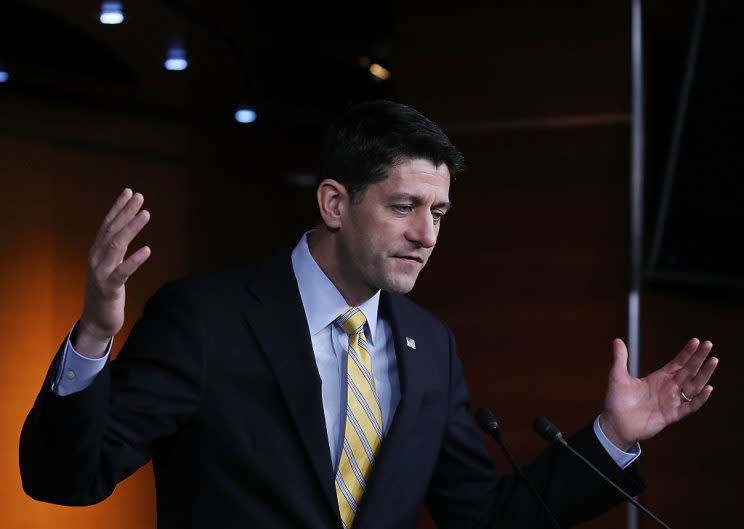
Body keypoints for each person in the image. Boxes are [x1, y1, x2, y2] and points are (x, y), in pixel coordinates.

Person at [20, 100, 717, 529]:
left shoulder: (430, 344)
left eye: (439, 212)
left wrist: (611, 437)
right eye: (404, 206)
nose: (427, 234)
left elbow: (481, 517)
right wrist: (94, 335)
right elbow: (65, 478)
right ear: (334, 203)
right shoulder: (205, 317)